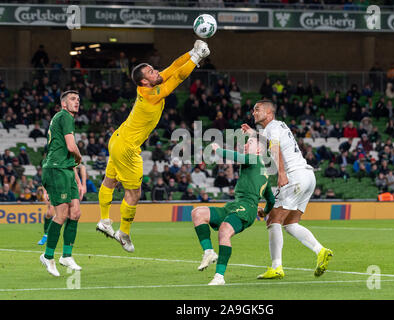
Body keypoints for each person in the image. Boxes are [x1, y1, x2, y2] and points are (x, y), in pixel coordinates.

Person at [96, 40, 210, 252]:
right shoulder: (150, 94)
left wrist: (191, 52)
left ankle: (104, 220)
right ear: (144, 81)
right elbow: (178, 77)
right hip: (127, 146)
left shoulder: (150, 85)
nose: (156, 71)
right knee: (134, 193)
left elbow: (174, 67)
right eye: (150, 71)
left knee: (109, 181)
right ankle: (124, 232)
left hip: (118, 138)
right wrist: (196, 59)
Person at [242, 100, 333, 279]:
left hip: (294, 176)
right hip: (308, 176)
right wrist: (253, 133)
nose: (253, 113)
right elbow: (269, 141)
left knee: (273, 220)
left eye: (257, 110)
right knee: (290, 224)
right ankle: (320, 250)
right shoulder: (278, 126)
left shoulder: (271, 127)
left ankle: (276, 267)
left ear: (268, 113)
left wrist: (282, 174)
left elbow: (274, 148)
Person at [191, 138, 275, 285]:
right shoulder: (263, 172)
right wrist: (265, 212)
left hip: (246, 209)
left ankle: (219, 276)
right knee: (198, 213)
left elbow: (237, 157)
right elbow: (271, 200)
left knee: (224, 230)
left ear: (259, 150)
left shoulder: (253, 158)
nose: (247, 144)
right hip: (235, 205)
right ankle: (209, 252)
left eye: (251, 142)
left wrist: (218, 150)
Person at [39, 90, 85, 277]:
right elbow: (71, 147)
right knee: (61, 214)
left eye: (78, 99)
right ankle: (48, 256)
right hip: (56, 169)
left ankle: (66, 255)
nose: (77, 102)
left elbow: (67, 153)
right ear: (64, 104)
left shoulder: (63, 117)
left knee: (75, 212)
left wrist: (77, 179)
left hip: (65, 168)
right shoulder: (65, 116)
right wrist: (79, 158)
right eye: (73, 99)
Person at [37, 165, 87, 245]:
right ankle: (46, 234)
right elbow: (46, 175)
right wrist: (45, 192)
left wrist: (82, 184)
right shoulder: (53, 158)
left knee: (72, 214)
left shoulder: (71, 158)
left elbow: (82, 167)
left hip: (70, 187)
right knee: (50, 213)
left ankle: (65, 244)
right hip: (55, 187)